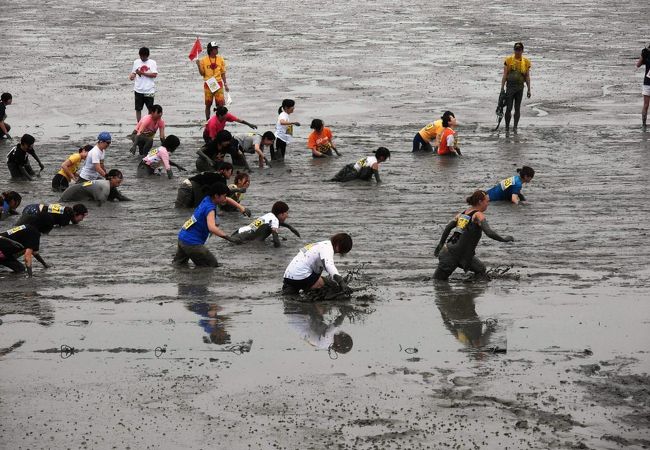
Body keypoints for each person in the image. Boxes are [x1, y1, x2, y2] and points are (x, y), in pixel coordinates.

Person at [433, 190, 514, 281]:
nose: (488, 204)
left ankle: (468, 290)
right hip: (451, 255)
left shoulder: (462, 214)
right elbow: (489, 233)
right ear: (480, 201)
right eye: (487, 201)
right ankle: (466, 289)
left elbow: (448, 228)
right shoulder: (478, 215)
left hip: (456, 252)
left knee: (481, 270)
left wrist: (440, 245)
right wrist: (504, 239)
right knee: (437, 282)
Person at [172, 183, 241, 267]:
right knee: (212, 265)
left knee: (179, 266)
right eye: (224, 196)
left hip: (182, 237)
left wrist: (242, 208)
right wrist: (229, 238)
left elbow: (227, 200)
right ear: (216, 196)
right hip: (192, 243)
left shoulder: (207, 199)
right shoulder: (210, 209)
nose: (225, 198)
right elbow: (212, 228)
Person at [282, 233, 353, 294]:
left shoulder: (320, 245)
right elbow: (329, 265)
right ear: (338, 244)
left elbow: (323, 266)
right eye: (342, 251)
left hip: (288, 277)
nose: (339, 253)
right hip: (301, 277)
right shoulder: (327, 248)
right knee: (330, 285)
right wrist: (341, 282)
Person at [175, 165, 250, 216]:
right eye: (230, 172)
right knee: (181, 211)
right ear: (223, 171)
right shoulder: (222, 180)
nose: (231, 174)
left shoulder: (216, 177)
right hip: (189, 186)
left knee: (188, 210)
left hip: (191, 187)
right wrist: (240, 190)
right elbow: (227, 195)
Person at [231, 201, 300, 247]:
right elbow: (276, 241)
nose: (287, 215)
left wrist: (290, 227)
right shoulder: (275, 220)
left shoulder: (269, 215)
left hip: (238, 233)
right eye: (286, 213)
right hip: (242, 239)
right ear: (281, 214)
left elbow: (273, 224)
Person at [501, 42, 531, 133]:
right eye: (516, 49)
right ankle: (507, 127)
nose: (517, 51)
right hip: (510, 87)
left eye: (519, 50)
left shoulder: (526, 62)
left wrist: (529, 89)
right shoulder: (508, 60)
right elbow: (505, 74)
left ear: (522, 50)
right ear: (514, 50)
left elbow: (527, 76)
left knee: (517, 108)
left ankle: (515, 127)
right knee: (509, 108)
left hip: (520, 87)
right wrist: (502, 88)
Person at [61, 169, 131, 205]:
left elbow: (120, 197)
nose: (121, 179)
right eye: (118, 177)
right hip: (68, 197)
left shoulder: (110, 186)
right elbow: (100, 204)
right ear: (111, 178)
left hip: (72, 192)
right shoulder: (104, 187)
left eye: (121, 177)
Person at [197, 41, 228, 120]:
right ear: (211, 50)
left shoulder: (221, 59)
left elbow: (223, 73)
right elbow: (202, 73)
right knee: (208, 104)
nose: (217, 50)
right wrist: (198, 65)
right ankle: (208, 120)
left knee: (220, 104)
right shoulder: (203, 60)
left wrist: (225, 84)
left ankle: (219, 119)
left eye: (217, 48)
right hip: (208, 83)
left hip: (218, 83)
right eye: (215, 48)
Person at [128, 47, 158, 123]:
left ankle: (148, 124)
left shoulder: (152, 63)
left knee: (150, 109)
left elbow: (154, 74)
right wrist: (132, 76)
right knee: (138, 109)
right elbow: (134, 73)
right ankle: (139, 124)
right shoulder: (136, 62)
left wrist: (143, 73)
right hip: (138, 90)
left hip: (149, 90)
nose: (142, 58)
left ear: (147, 55)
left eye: (144, 56)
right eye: (141, 56)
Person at [17, 203, 88, 229]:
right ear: (75, 213)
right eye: (82, 217)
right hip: (33, 212)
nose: (82, 219)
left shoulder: (66, 210)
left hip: (32, 207)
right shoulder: (66, 217)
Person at [635, 44, 650, 129]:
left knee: (646, 104)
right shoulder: (646, 53)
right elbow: (638, 64)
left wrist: (643, 56)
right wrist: (643, 56)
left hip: (647, 82)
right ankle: (643, 124)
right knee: (646, 104)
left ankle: (644, 124)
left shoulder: (646, 53)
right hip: (647, 83)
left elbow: (638, 65)